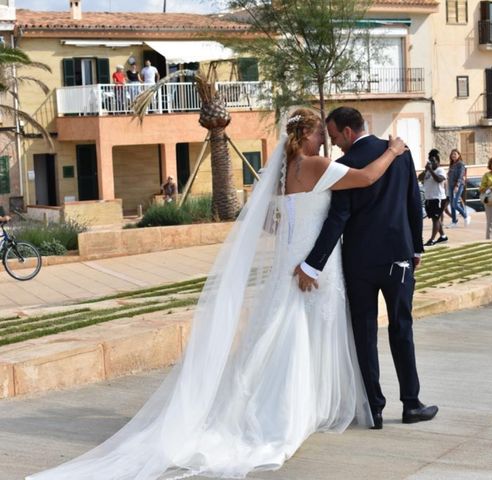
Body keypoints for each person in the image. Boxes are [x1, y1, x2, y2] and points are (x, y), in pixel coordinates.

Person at [26, 108, 409, 480]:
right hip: (311, 266)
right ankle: (295, 412)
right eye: (319, 136)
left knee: (278, 336)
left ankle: (279, 406)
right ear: (305, 135)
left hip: (288, 263)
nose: (324, 142)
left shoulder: (276, 172)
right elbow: (365, 178)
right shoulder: (316, 167)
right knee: (300, 337)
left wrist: (294, 238)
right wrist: (392, 151)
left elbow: (265, 220)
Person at [294, 106, 439, 431]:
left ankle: (373, 408)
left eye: (333, 137)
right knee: (402, 328)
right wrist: (416, 247)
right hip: (398, 258)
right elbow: (413, 202)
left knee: (364, 333)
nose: (334, 144)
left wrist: (312, 263)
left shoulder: (344, 165)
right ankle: (411, 404)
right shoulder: (399, 154)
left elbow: (338, 219)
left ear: (347, 131)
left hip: (358, 262)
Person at [422, 148, 448, 246]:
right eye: (430, 160)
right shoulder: (428, 171)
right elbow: (420, 178)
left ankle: (432, 240)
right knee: (434, 218)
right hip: (430, 198)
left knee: (436, 219)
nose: (431, 163)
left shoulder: (440, 170)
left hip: (438, 199)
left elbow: (439, 180)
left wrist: (430, 171)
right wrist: (426, 171)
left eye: (433, 161)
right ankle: (443, 236)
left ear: (438, 161)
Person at [446, 148, 470, 227]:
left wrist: (457, 185)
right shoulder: (452, 164)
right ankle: (454, 222)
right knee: (452, 205)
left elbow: (461, 175)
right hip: (450, 186)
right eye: (452, 154)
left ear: (459, 155)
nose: (453, 155)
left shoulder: (460, 164)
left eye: (455, 154)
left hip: (458, 186)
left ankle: (466, 216)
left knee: (455, 204)